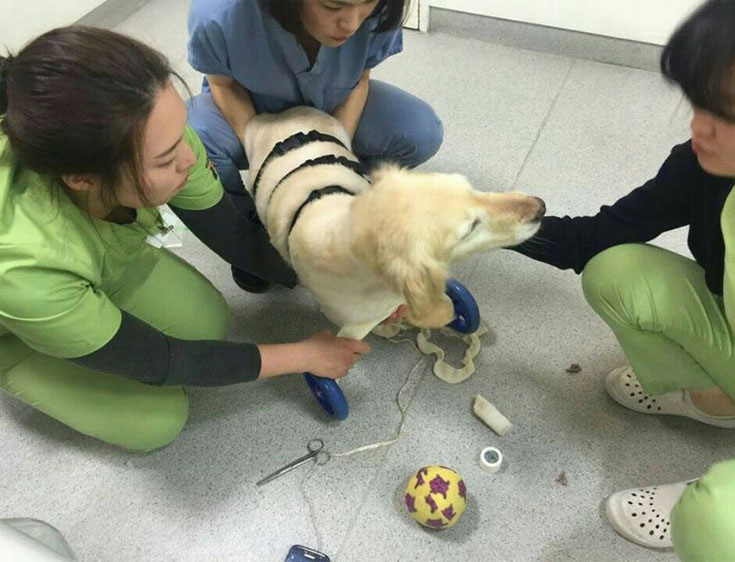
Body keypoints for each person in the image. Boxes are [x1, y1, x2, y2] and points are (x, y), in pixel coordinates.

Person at [0, 26, 369, 453]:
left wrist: (352, 281)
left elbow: (234, 237)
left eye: (180, 137)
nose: (191, 158)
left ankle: (86, 314)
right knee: (159, 422)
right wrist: (304, 355)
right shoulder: (24, 267)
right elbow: (162, 360)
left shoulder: (152, 129)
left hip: (91, 259)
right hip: (15, 321)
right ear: (81, 178)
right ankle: (32, 352)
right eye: (165, 158)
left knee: (209, 321)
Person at [512, 1, 735, 559]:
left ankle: (719, 500)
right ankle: (712, 400)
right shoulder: (706, 164)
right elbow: (604, 234)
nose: (699, 126)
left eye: (727, 113)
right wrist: (484, 227)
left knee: (718, 521)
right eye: (698, 101)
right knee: (616, 270)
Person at [187, 0, 444, 292]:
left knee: (422, 131)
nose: (352, 24)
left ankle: (350, 199)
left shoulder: (382, 9)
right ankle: (256, 233)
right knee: (192, 140)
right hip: (254, 109)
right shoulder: (218, 13)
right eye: (333, 6)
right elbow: (224, 86)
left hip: (330, 101)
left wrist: (334, 161)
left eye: (366, 5)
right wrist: (270, 162)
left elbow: (360, 81)